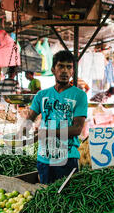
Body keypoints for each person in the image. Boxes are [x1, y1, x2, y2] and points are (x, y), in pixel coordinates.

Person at [20, 50, 88, 184]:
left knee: (65, 199)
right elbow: (29, 119)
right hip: (44, 157)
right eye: (61, 66)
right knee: (46, 197)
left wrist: (48, 133)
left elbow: (77, 129)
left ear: (73, 72)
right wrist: (20, 135)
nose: (65, 71)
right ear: (53, 69)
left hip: (67, 158)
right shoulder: (42, 95)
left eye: (69, 67)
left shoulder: (79, 95)